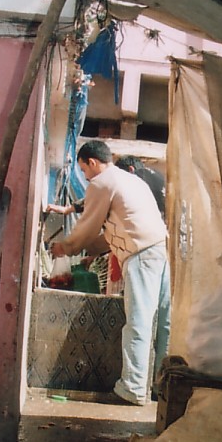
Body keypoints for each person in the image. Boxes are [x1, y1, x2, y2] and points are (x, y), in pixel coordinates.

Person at [50, 139, 170, 405]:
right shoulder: (132, 180)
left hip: (141, 255)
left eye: (83, 170)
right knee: (163, 324)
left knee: (139, 321)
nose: (85, 176)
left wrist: (66, 247)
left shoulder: (102, 183)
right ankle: (162, 388)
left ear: (92, 163)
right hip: (161, 248)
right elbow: (111, 234)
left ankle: (134, 387)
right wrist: (85, 251)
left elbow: (87, 227)